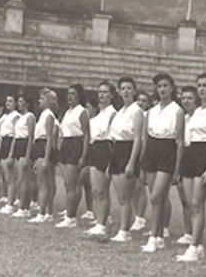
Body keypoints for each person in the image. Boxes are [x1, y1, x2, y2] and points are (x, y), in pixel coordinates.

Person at [176, 73, 206, 262]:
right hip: (191, 153)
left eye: (205, 85)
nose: (202, 89)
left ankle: (194, 246)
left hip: (205, 153)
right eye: (199, 85)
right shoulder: (195, 112)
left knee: (198, 203)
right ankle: (198, 244)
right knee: (189, 203)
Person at [140, 73, 185, 252]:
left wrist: (177, 168)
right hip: (152, 150)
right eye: (159, 86)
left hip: (168, 150)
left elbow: (180, 141)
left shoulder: (177, 111)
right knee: (156, 198)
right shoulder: (151, 111)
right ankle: (158, 236)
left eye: (166, 86)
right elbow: (145, 138)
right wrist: (143, 161)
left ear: (172, 88)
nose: (162, 89)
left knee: (156, 196)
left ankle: (153, 236)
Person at [108, 76, 145, 242]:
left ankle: (125, 231)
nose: (126, 91)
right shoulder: (119, 112)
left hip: (128, 150)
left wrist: (131, 162)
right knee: (120, 195)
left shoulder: (137, 111)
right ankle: (123, 228)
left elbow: (138, 138)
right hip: (117, 150)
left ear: (134, 91)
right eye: (123, 88)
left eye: (129, 88)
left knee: (126, 196)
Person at [84, 81, 118, 238]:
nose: (102, 95)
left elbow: (112, 137)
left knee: (102, 189)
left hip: (105, 148)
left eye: (105, 92)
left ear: (111, 95)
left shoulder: (113, 114)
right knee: (95, 190)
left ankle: (102, 224)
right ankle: (98, 221)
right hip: (94, 148)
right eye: (100, 92)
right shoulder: (97, 115)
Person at [56, 84, 90, 229]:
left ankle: (71, 217)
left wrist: (84, 155)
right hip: (66, 145)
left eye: (73, 94)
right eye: (68, 94)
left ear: (79, 96)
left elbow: (87, 134)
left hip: (76, 144)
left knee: (72, 184)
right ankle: (70, 211)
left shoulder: (82, 112)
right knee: (67, 184)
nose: (70, 97)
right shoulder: (67, 111)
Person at [28, 88, 59, 223]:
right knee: (47, 183)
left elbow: (49, 138)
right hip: (41, 146)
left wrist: (46, 158)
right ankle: (48, 212)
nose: (39, 101)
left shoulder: (48, 116)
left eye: (42, 98)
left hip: (44, 147)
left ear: (48, 101)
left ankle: (42, 212)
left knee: (44, 183)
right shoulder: (44, 115)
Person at [175, 86, 199, 246]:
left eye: (190, 98)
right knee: (184, 198)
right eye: (184, 98)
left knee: (195, 201)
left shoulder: (201, 115)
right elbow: (180, 141)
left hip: (198, 153)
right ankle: (188, 231)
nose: (186, 101)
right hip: (185, 155)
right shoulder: (184, 117)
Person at [11, 95, 37, 217]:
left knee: (24, 179)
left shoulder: (30, 116)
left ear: (27, 103)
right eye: (18, 101)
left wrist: (28, 156)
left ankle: (24, 207)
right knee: (19, 179)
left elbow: (31, 136)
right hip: (18, 144)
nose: (19, 103)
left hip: (25, 145)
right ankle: (23, 205)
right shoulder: (20, 118)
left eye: (21, 101)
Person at [131, 90, 153, 231]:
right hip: (134, 148)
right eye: (139, 100)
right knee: (133, 186)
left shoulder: (147, 115)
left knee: (141, 186)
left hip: (145, 150)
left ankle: (141, 216)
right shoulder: (134, 113)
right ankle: (136, 215)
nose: (141, 103)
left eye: (144, 101)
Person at [0, 95, 20, 214]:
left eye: (11, 101)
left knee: (11, 178)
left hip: (10, 142)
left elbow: (15, 134)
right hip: (4, 142)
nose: (8, 103)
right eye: (7, 101)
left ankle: (10, 203)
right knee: (6, 177)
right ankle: (8, 200)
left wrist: (11, 153)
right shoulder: (6, 117)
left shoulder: (16, 116)